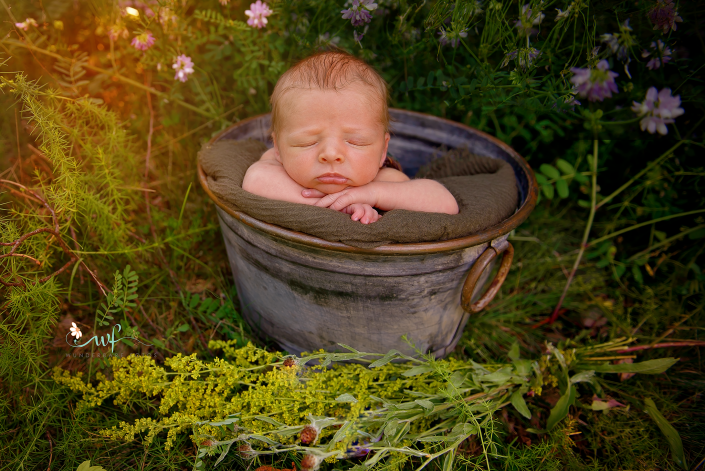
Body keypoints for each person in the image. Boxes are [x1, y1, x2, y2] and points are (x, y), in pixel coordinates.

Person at [242, 50, 459, 224]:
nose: (331, 154)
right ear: (278, 148)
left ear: (382, 151)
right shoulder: (277, 165)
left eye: (356, 141)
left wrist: (374, 194)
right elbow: (256, 179)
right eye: (307, 142)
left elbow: (446, 204)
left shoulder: (382, 178)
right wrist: (339, 205)